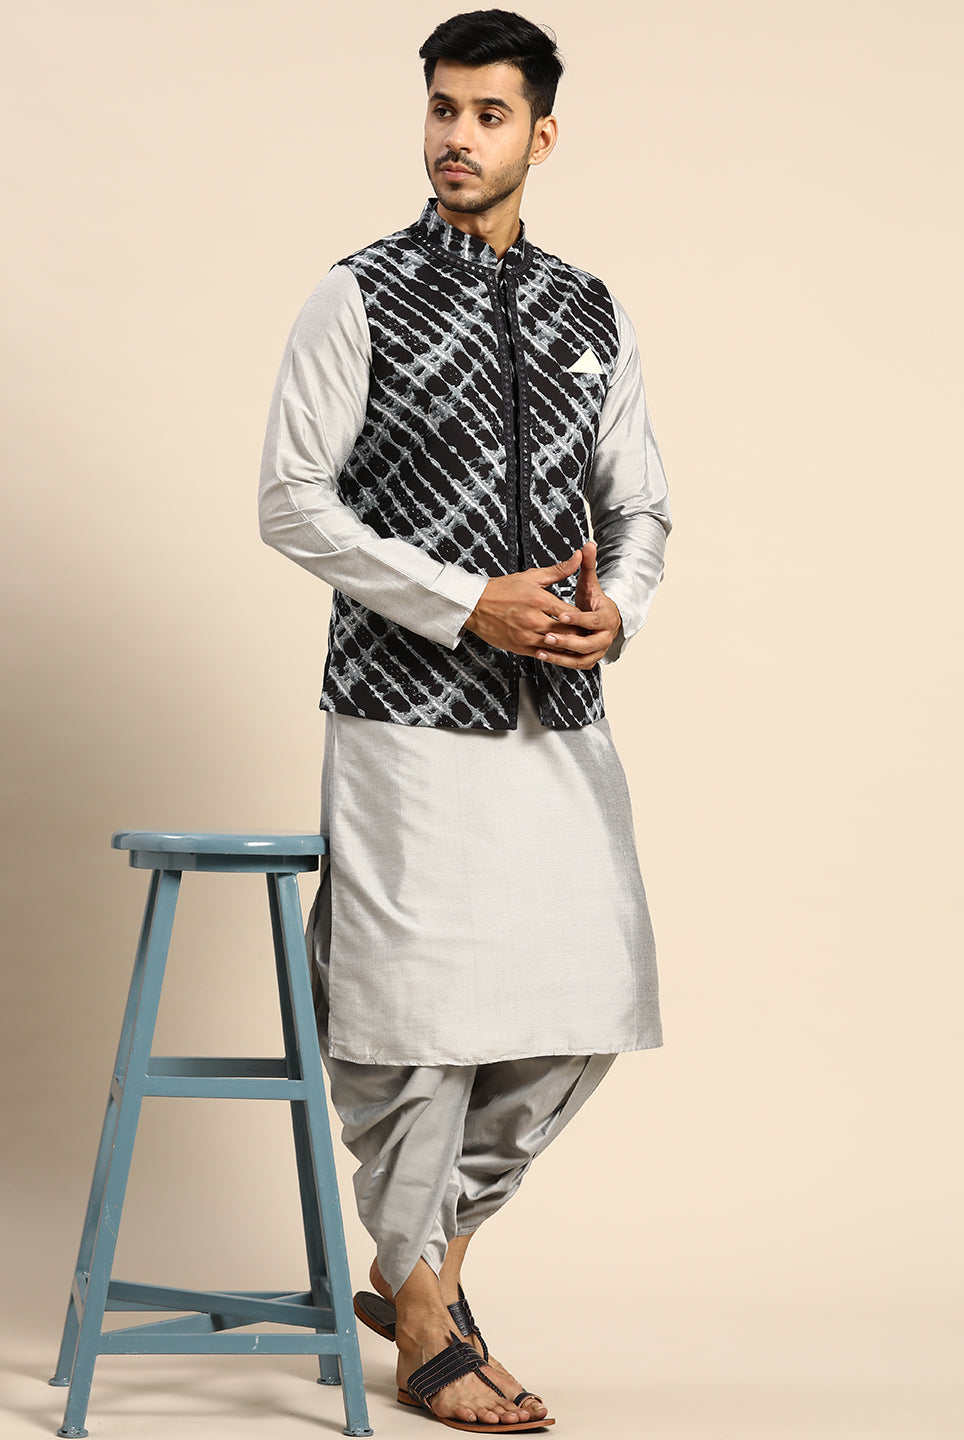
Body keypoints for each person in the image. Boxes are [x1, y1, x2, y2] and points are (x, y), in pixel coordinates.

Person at [258, 9, 671, 1431]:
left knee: (588, 999)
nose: (456, 137)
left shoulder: (589, 310)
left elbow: (640, 505)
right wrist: (459, 603)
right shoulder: (358, 295)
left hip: (557, 701)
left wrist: (623, 608)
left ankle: (420, 1263)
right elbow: (291, 500)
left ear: (540, 135)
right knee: (409, 1021)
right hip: (400, 710)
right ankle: (430, 1318)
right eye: (442, 108)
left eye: (489, 114)